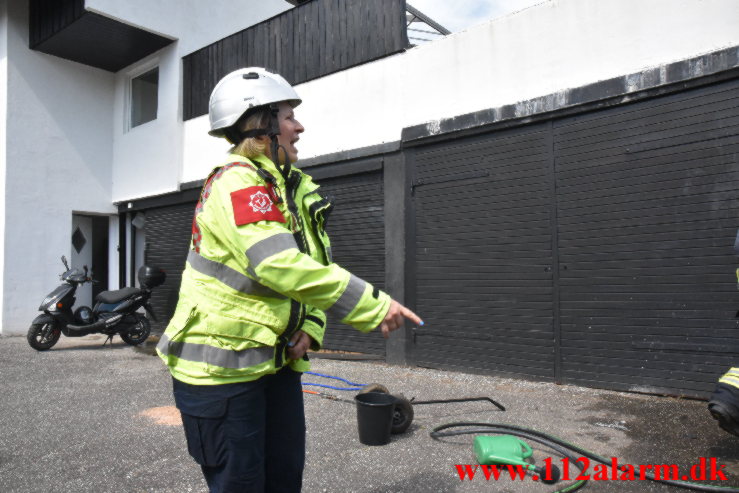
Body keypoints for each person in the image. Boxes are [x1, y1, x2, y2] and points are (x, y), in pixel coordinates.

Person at [156, 67, 422, 493]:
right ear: (260, 125)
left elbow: (314, 263)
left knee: (284, 480)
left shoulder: (294, 189)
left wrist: (312, 327)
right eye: (287, 116)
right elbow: (278, 264)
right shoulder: (239, 182)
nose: (299, 126)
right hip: (220, 375)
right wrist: (370, 305)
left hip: (274, 363)